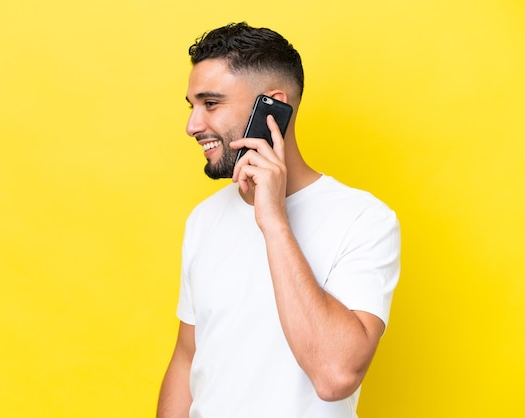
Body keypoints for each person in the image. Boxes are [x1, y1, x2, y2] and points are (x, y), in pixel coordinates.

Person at [157, 22, 401, 418]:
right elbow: (188, 358)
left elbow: (335, 376)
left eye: (211, 103)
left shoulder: (365, 220)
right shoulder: (203, 219)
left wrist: (274, 222)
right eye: (192, 106)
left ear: (272, 106)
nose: (192, 125)